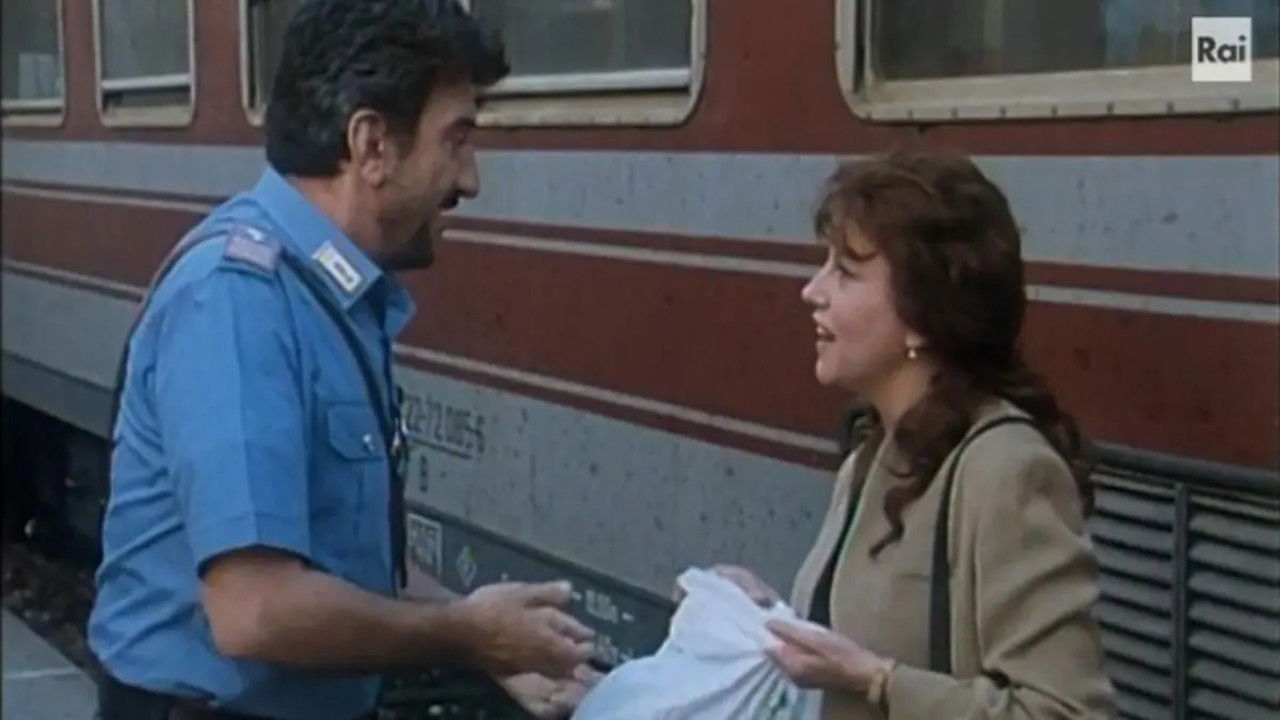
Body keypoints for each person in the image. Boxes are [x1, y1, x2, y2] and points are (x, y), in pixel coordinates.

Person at [88, 2, 597, 719]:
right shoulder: (239, 301)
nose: (470, 178)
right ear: (372, 144)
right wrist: (464, 635)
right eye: (456, 139)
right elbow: (256, 609)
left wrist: (493, 640)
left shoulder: (328, 295)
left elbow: (347, 557)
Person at [713, 148, 1116, 718]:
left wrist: (881, 681)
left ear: (924, 311)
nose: (812, 290)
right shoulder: (876, 451)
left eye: (846, 272)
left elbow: (1066, 711)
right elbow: (858, 645)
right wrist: (765, 619)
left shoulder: (1006, 469)